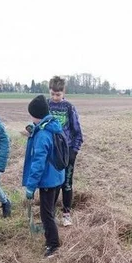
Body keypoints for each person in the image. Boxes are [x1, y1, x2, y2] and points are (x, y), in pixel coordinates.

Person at [22, 94, 66, 258]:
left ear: (36, 115)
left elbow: (38, 164)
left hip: (47, 180)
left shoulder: (42, 135)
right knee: (50, 211)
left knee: (46, 214)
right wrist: (34, 129)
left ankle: (53, 245)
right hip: (58, 178)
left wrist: (30, 186)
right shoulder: (52, 126)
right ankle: (50, 233)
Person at [48, 76, 83, 227]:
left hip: (67, 151)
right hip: (51, 152)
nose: (55, 97)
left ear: (63, 92)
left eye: (58, 94)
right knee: (52, 184)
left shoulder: (69, 107)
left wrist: (74, 151)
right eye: (52, 94)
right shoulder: (46, 105)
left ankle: (66, 213)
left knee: (66, 184)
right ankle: (50, 214)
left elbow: (78, 133)